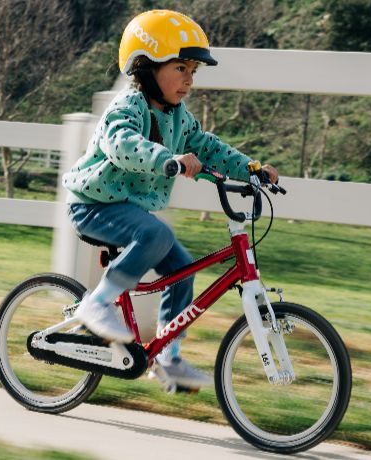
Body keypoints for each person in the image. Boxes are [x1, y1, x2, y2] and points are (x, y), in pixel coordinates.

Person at [61, 9, 279, 390]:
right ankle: (96, 304)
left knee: (182, 270)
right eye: (181, 68)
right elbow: (123, 145)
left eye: (193, 71)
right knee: (156, 235)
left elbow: (208, 147)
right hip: (92, 205)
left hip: (128, 209)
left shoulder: (179, 117)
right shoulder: (128, 107)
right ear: (146, 67)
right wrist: (169, 159)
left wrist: (251, 168)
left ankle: (167, 357)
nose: (189, 80)